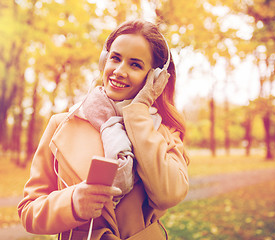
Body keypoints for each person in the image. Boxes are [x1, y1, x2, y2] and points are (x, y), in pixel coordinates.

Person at [18, 19, 189, 240]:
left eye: (135, 64)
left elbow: (168, 194)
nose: (119, 71)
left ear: (154, 78)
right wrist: (72, 203)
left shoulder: (164, 133)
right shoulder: (62, 124)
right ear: (103, 60)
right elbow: (28, 211)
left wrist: (138, 111)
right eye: (115, 58)